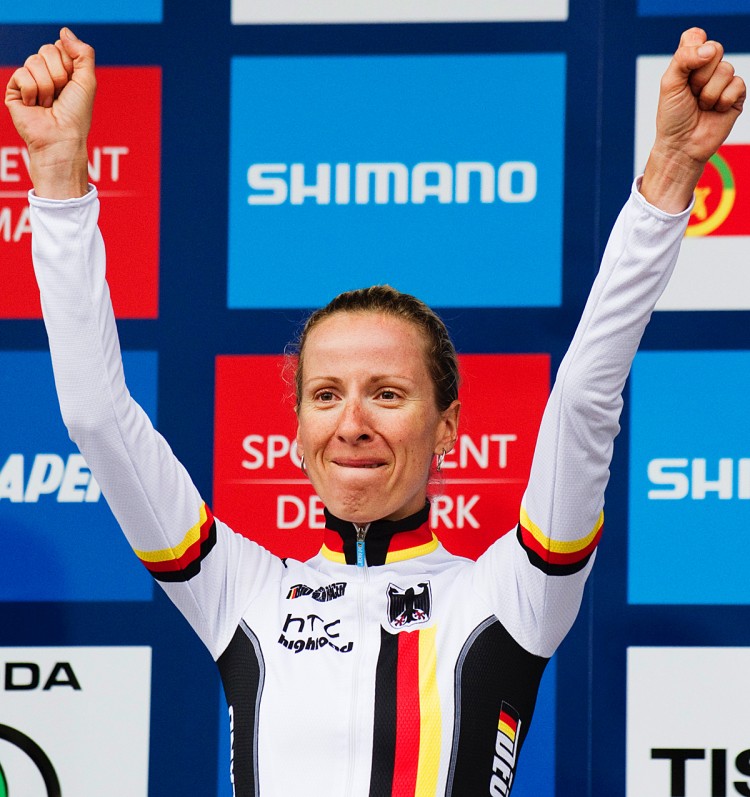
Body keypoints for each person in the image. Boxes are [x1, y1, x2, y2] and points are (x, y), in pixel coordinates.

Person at [5, 27, 745, 797]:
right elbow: (96, 413)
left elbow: (587, 395)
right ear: (294, 432)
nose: (352, 421)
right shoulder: (241, 591)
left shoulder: (507, 593)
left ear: (448, 427)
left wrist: (670, 171)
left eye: (387, 393)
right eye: (326, 395)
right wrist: (58, 178)